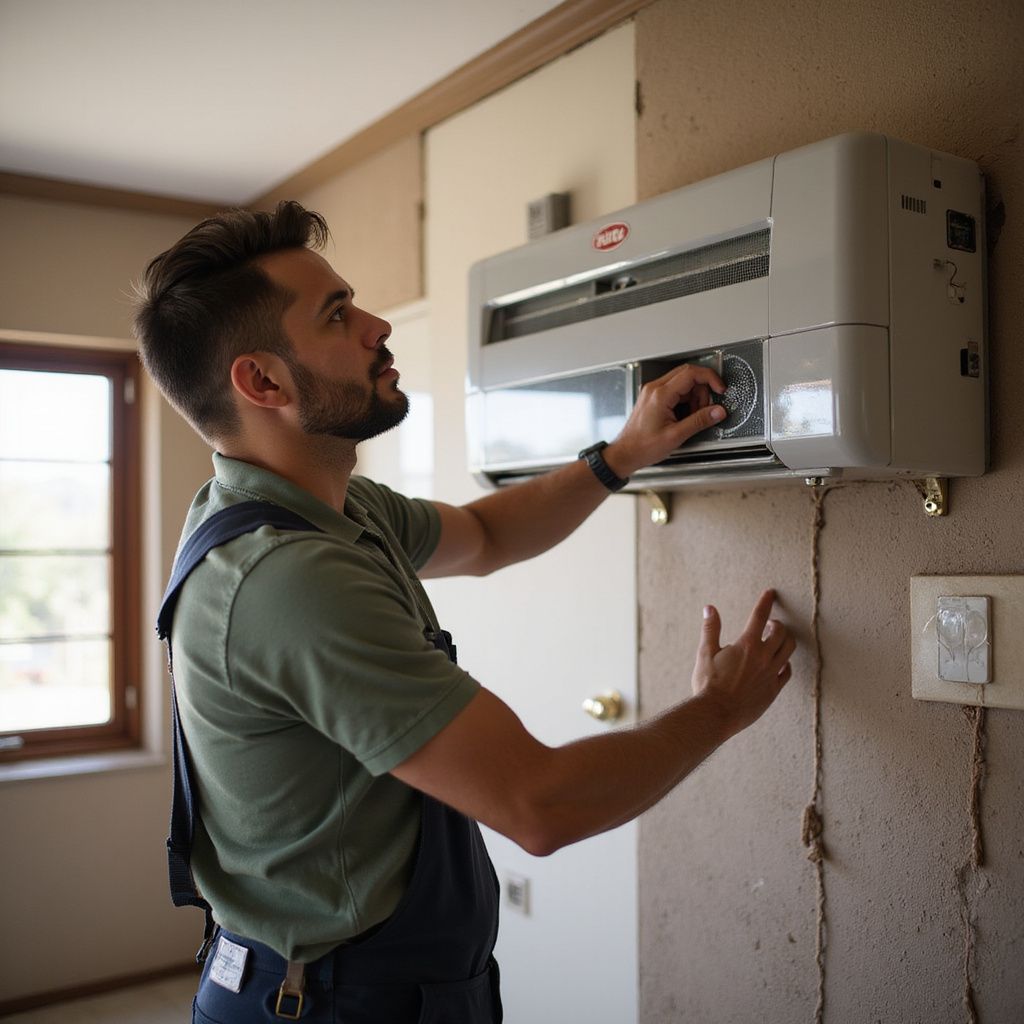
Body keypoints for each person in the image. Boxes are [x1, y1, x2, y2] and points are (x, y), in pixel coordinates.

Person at [134, 201, 795, 1024]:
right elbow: (539, 805)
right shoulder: (287, 579)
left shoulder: (321, 507)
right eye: (338, 316)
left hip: (372, 984)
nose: (377, 325)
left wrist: (622, 453)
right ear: (263, 381)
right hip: (331, 1004)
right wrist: (721, 709)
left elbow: (484, 535)